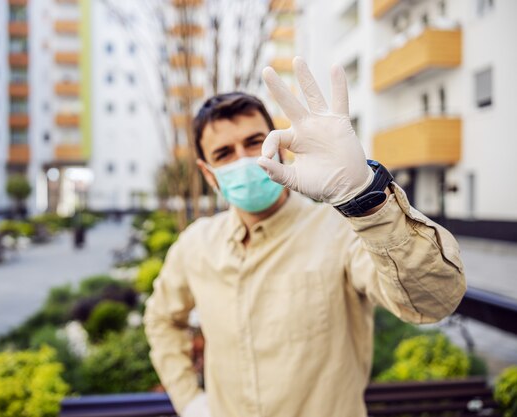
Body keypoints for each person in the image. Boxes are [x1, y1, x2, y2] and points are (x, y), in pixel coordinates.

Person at [143, 57, 466, 417]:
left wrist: (365, 197)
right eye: (224, 153)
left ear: (279, 144)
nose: (245, 159)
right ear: (209, 174)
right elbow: (161, 320)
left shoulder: (343, 231)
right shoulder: (195, 245)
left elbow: (432, 302)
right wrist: (190, 401)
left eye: (254, 142)